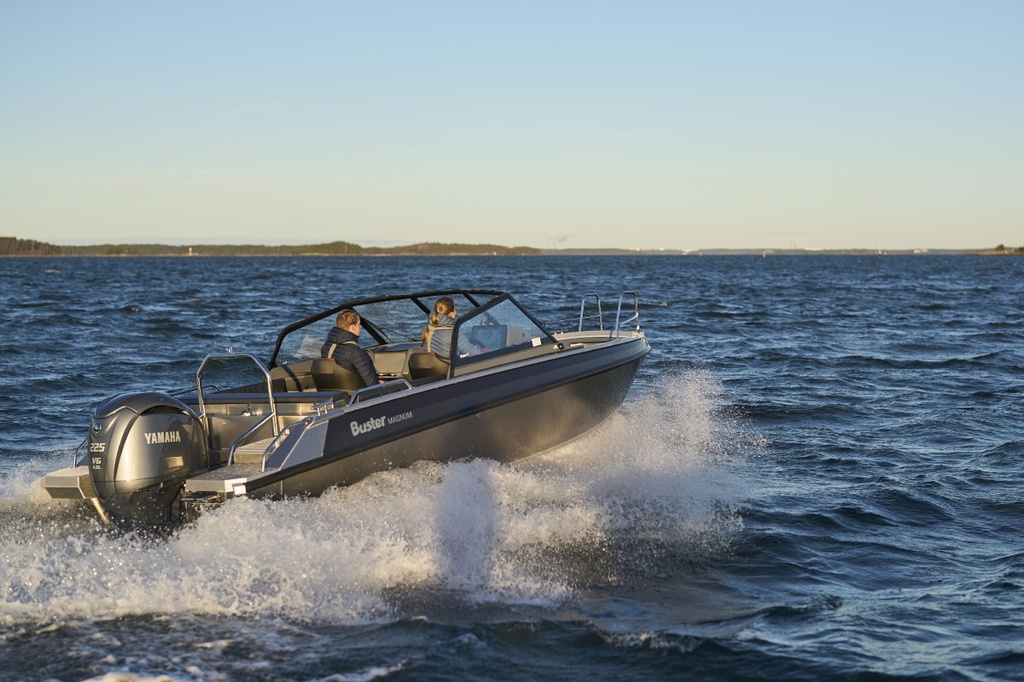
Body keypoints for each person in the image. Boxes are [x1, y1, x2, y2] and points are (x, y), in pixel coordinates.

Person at [321, 309, 380, 387]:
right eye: (358, 324)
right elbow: (372, 385)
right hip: (356, 393)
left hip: (333, 391)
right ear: (352, 327)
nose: (360, 327)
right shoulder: (356, 353)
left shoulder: (326, 347)